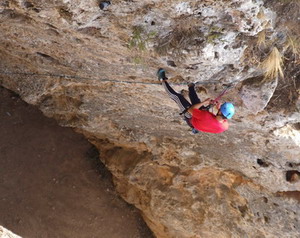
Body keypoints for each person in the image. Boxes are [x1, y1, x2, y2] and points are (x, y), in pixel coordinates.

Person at [157, 68, 235, 134]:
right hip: (202, 122)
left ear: (221, 112)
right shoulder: (225, 126)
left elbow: (191, 110)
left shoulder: (206, 116)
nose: (219, 107)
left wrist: (204, 102)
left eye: (220, 108)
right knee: (196, 100)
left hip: (191, 117)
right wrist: (218, 108)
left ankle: (162, 80)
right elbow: (219, 118)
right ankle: (191, 85)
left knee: (178, 97)